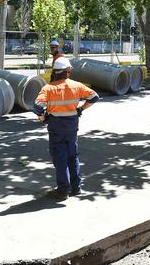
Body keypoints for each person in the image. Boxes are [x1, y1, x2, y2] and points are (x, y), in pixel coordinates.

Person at [33, 56, 99, 200]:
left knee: (60, 159)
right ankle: (76, 188)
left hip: (56, 128)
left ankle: (63, 190)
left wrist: (43, 118)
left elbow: (37, 106)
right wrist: (81, 109)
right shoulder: (77, 85)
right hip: (72, 127)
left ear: (55, 72)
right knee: (72, 156)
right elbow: (94, 97)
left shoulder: (48, 88)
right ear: (68, 71)